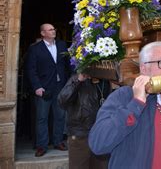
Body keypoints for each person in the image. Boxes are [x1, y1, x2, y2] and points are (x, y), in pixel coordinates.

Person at [25, 23, 70, 157]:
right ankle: (41, 146)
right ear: (43, 33)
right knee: (42, 118)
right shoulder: (35, 49)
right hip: (43, 88)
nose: (53, 31)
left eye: (53, 29)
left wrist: (70, 82)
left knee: (60, 116)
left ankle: (58, 142)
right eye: (50, 29)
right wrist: (37, 87)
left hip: (60, 87)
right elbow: (31, 70)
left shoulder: (62, 45)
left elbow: (68, 64)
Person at [58, 73, 111, 169]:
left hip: (101, 136)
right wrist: (78, 80)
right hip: (80, 136)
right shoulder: (77, 78)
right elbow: (62, 101)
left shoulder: (107, 80)